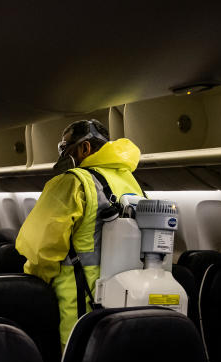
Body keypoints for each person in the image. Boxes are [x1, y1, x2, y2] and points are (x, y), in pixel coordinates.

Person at [15, 119, 145, 348]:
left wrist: (34, 287)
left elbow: (41, 250)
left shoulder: (73, 182)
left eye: (65, 147)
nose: (63, 153)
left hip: (80, 308)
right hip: (128, 303)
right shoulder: (133, 184)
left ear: (84, 148)